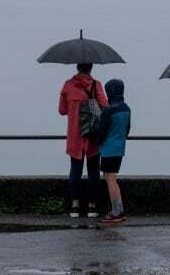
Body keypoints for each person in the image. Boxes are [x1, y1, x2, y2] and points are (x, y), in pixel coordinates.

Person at [59, 63, 108, 218]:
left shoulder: (68, 85)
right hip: (93, 136)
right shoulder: (96, 85)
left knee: (75, 171)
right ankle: (92, 208)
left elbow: (62, 110)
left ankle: (75, 207)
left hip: (75, 136)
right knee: (93, 171)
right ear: (91, 67)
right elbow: (105, 106)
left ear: (77, 67)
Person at [97, 79, 131, 224]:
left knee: (110, 180)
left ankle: (116, 212)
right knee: (113, 179)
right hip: (119, 148)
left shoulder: (108, 110)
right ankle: (119, 210)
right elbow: (127, 129)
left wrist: (98, 142)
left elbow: (101, 132)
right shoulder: (126, 108)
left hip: (108, 149)